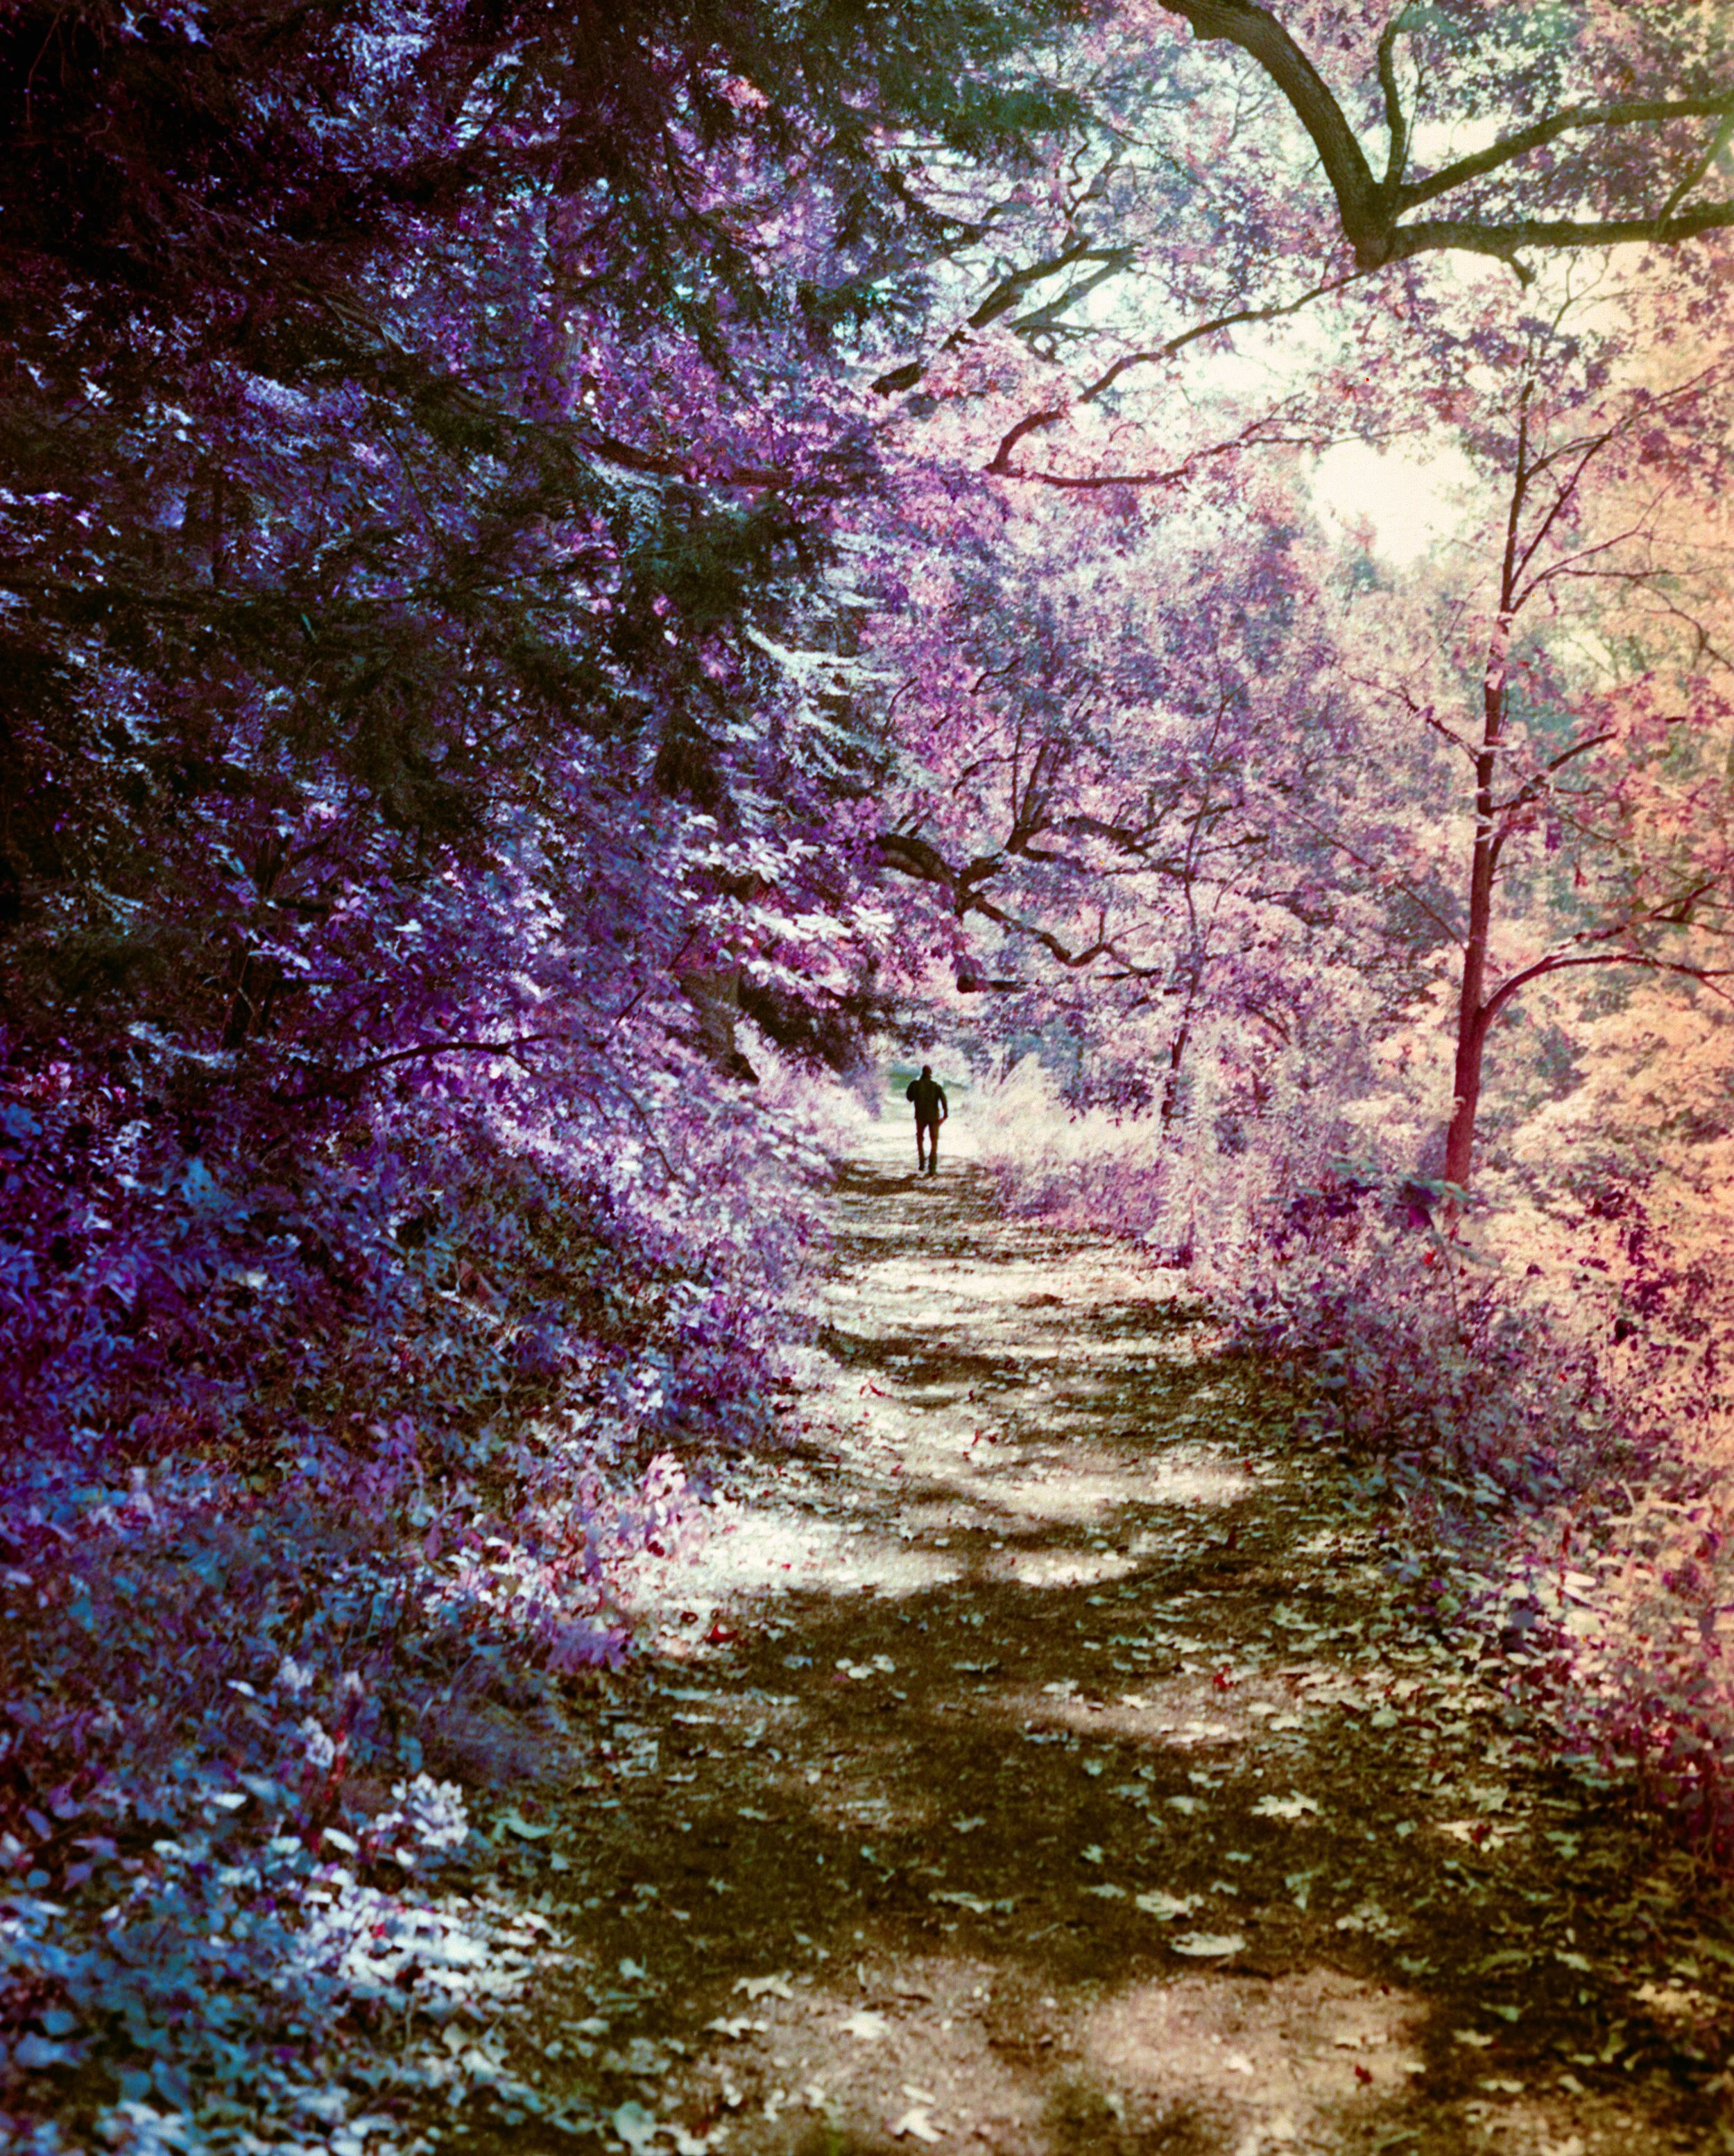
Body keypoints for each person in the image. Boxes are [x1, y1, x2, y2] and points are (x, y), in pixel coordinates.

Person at [904, 1064, 947, 1175]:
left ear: (922, 1073)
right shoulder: (936, 1086)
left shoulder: (915, 1085)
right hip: (934, 1117)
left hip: (920, 1117)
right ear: (930, 1074)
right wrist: (945, 1116)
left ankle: (922, 1163)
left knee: (920, 1139)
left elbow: (909, 1098)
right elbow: (944, 1101)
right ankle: (932, 1168)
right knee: (934, 1141)